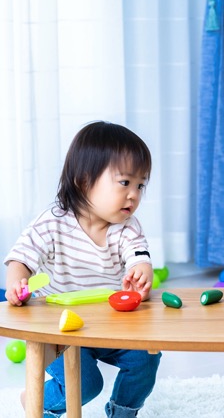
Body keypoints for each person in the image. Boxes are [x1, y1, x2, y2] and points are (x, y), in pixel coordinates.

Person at [4, 121, 161, 418]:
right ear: (84, 180)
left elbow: (138, 256)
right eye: (125, 183)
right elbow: (20, 260)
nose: (134, 194)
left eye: (141, 185)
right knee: (86, 384)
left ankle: (122, 411)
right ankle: (39, 401)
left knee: (146, 359)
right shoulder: (52, 222)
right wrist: (17, 283)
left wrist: (142, 271)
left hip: (108, 325)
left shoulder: (127, 228)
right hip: (57, 329)